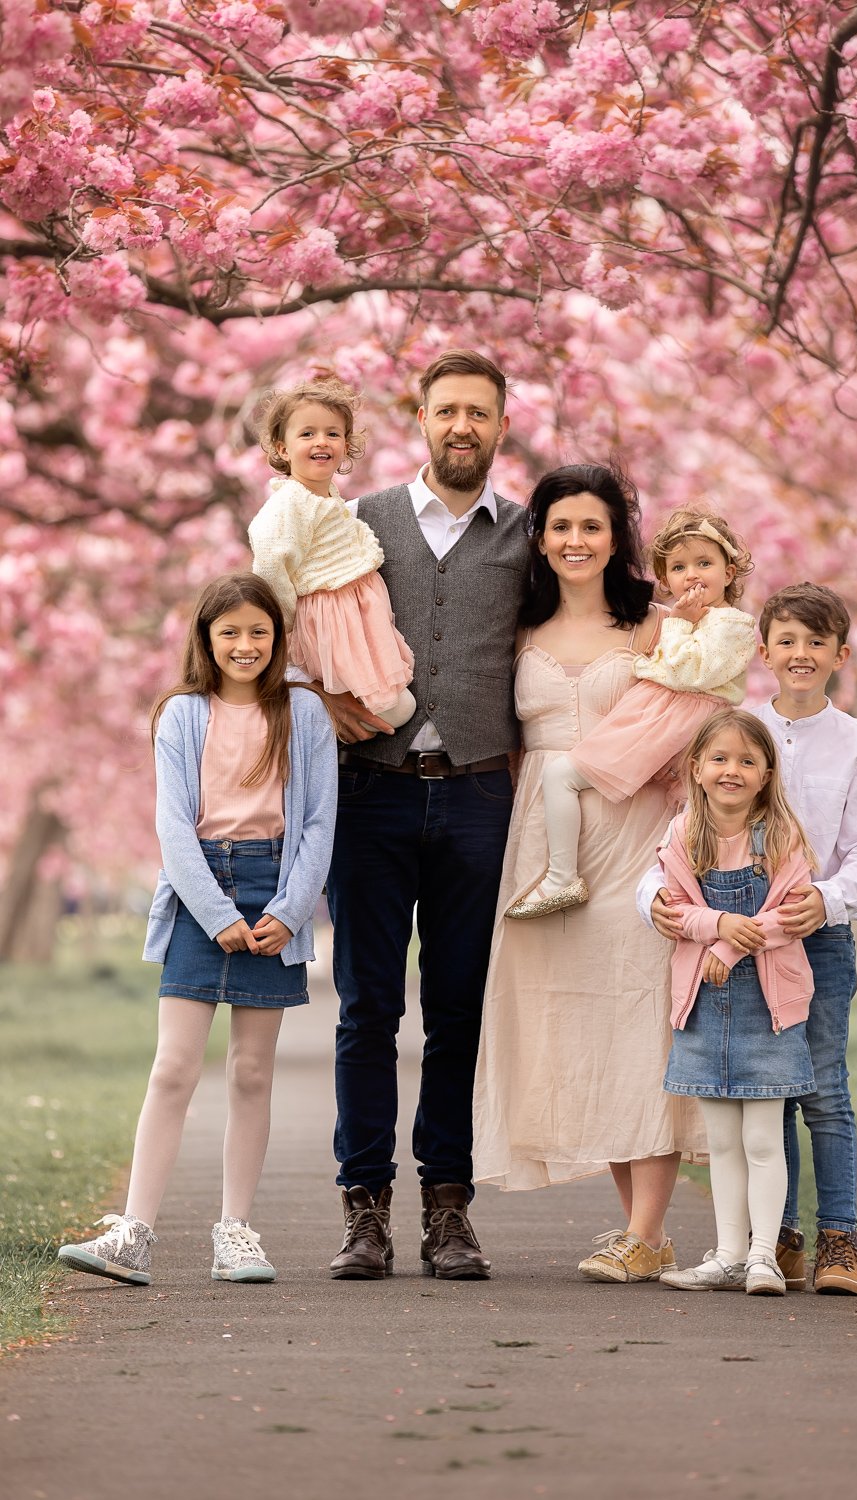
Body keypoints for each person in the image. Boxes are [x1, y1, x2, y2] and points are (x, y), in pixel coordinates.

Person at [57, 574, 337, 1286]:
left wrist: (287, 911)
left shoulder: (303, 714)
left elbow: (316, 824)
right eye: (230, 633)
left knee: (251, 1072)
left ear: (277, 639)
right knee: (174, 1066)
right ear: (207, 639)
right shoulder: (181, 714)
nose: (245, 645)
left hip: (275, 887)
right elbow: (173, 828)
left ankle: (236, 1232)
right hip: (198, 892)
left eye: (258, 632)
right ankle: (134, 1233)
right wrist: (217, 916)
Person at [474, 464, 709, 1285]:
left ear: (618, 538)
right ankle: (640, 1233)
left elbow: (693, 723)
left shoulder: (652, 625)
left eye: (594, 527)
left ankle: (647, 1232)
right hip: (543, 837)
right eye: (562, 527)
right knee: (580, 1027)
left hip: (635, 834)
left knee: (640, 1018)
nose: (577, 542)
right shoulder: (517, 629)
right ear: (539, 537)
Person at [323, 350, 529, 1280]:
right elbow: (296, 622)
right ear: (420, 417)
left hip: (482, 790)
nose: (462, 427)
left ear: (501, 426)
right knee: (368, 1009)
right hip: (372, 788)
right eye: (448, 411)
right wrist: (316, 696)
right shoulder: (358, 522)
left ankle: (449, 1208)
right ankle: (364, 1210)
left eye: (479, 414)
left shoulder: (529, 535)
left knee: (458, 1009)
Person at [505, 508, 756, 918]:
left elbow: (686, 670)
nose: (692, 575)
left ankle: (561, 877)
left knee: (562, 775)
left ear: (729, 573)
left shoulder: (734, 626)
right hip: (660, 710)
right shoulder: (695, 620)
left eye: (704, 563)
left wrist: (677, 623)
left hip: (676, 716)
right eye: (678, 567)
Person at [755, 583, 857, 1293]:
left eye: (815, 642)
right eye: (787, 640)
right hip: (753, 937)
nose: (800, 654)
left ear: (840, 655)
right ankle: (778, 1237)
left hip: (821, 938)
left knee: (823, 1090)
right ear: (764, 651)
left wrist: (830, 899)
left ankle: (839, 1240)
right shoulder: (742, 728)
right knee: (770, 1091)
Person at [656, 709, 816, 1297]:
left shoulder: (780, 837)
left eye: (747, 761)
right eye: (720, 759)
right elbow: (672, 909)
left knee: (762, 1139)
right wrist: (718, 924)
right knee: (721, 1141)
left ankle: (762, 1258)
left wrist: (729, 944)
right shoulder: (682, 835)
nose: (732, 770)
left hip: (767, 1008)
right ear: (696, 768)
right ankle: (726, 1254)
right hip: (703, 1003)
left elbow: (790, 913)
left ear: (767, 773)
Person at [250, 376, 416, 730]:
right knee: (397, 709)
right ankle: (323, 717)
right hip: (332, 619)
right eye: (307, 434)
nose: (321, 442)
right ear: (282, 449)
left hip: (355, 615)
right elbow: (268, 562)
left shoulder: (324, 496)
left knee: (398, 703)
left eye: (333, 433)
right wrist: (286, 622)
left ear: (346, 444)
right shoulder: (289, 503)